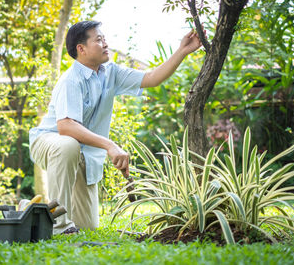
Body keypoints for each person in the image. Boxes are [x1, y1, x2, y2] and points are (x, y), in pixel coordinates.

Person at [29, 20, 204, 234]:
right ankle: (59, 225)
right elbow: (66, 127)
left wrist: (182, 51)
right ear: (81, 49)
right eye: (99, 39)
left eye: (104, 38)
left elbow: (151, 78)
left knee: (88, 226)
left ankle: (28, 211)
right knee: (67, 145)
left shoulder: (111, 72)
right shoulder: (70, 81)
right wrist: (110, 145)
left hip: (83, 154)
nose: (105, 43)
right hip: (51, 141)